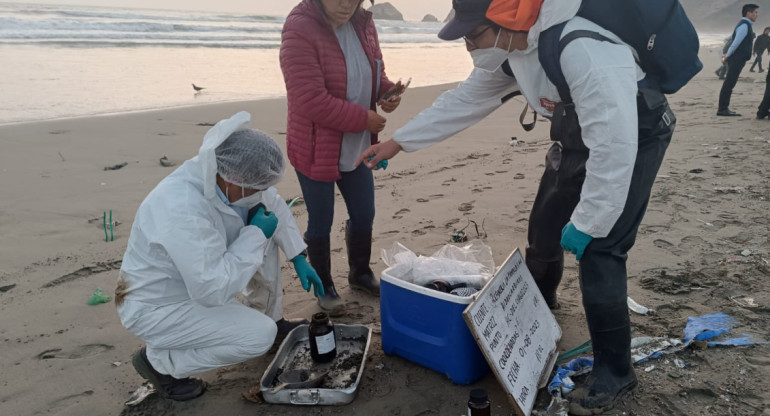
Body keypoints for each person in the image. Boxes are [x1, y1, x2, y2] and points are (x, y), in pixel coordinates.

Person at [357, 0, 677, 413]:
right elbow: (462, 102)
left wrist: (590, 221)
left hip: (636, 132)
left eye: (474, 36)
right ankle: (540, 307)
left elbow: (615, 147)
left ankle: (616, 371)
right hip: (577, 132)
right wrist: (399, 142)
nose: (470, 48)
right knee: (544, 228)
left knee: (601, 250)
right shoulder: (509, 53)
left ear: (508, 19)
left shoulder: (583, 48)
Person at [115, 111, 324, 401]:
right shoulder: (181, 208)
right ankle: (161, 363)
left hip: (193, 282)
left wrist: (298, 256)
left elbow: (271, 203)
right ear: (234, 178)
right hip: (158, 307)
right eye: (257, 186)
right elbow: (212, 290)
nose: (263, 191)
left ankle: (272, 318)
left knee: (262, 228)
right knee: (257, 337)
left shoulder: (226, 179)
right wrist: (254, 235)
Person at [279, 0, 402, 316]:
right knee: (321, 220)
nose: (347, 2)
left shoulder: (364, 22)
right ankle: (325, 285)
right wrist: (365, 120)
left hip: (357, 146)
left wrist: (386, 93)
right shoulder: (300, 27)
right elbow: (310, 100)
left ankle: (359, 273)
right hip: (315, 146)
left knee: (364, 213)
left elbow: (375, 74)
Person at [718, 4, 759, 117]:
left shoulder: (746, 25)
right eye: (755, 12)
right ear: (748, 13)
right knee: (729, 83)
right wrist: (727, 56)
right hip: (736, 59)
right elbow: (735, 43)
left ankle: (724, 107)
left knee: (730, 83)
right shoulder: (744, 25)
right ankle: (722, 109)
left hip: (738, 59)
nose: (757, 15)